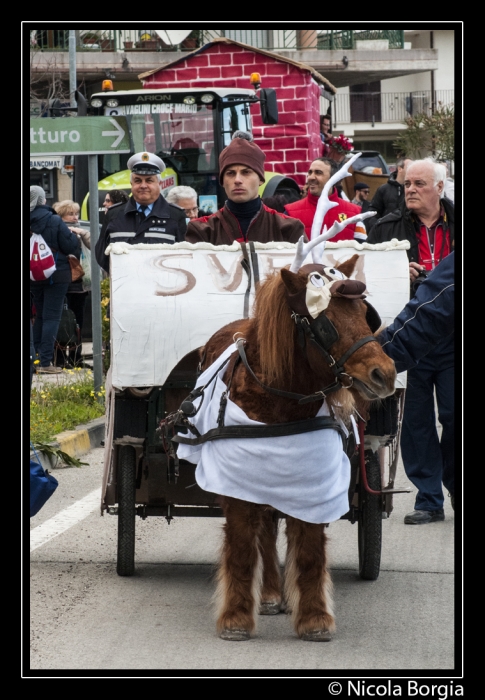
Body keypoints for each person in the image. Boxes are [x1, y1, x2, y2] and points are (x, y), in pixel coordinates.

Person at [379, 251, 455, 522]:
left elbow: (445, 288)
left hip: (449, 340)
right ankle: (429, 498)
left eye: (415, 201)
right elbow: (375, 278)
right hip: (409, 330)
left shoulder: (453, 223)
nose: (408, 203)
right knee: (416, 423)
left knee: (454, 417)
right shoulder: (389, 227)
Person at [185, 133, 305, 245]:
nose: (237, 180)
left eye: (246, 172)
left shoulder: (289, 229)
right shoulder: (202, 231)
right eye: (230, 173)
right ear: (222, 181)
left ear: (261, 179)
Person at [95, 152, 187, 273]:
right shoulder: (114, 214)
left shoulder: (175, 216)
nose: (143, 186)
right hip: (125, 287)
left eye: (149, 180)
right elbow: (101, 254)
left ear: (159, 183)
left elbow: (184, 257)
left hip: (162, 287)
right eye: (138, 181)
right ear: (131, 184)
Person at [367, 158, 453, 287]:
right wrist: (397, 275)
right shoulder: (384, 228)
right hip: (407, 304)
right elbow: (366, 273)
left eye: (419, 184)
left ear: (439, 187)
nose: (410, 190)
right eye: (407, 184)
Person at [30, 186, 81, 373]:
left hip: (32, 274)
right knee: (52, 317)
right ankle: (45, 363)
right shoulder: (54, 220)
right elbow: (70, 246)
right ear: (43, 200)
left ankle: (33, 360)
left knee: (39, 317)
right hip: (56, 274)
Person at [284, 158, 368, 242]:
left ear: (334, 178)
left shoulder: (354, 213)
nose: (311, 177)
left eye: (318, 173)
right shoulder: (290, 212)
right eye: (310, 172)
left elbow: (362, 250)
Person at [52, 200, 91, 367]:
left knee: (78, 322)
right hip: (65, 281)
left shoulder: (80, 230)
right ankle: (61, 357)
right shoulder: (58, 231)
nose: (75, 217)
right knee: (61, 321)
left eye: (76, 214)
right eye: (71, 214)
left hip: (78, 284)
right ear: (61, 216)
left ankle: (76, 356)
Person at [367, 157, 413, 229]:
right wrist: (378, 228)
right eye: (410, 167)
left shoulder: (412, 190)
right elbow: (373, 212)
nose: (412, 169)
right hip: (387, 234)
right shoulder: (383, 189)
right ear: (400, 169)